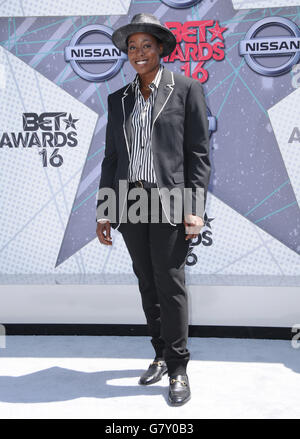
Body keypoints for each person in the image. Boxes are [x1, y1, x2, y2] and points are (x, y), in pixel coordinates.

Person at [96, 13, 211, 406]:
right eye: (132, 47)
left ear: (160, 48)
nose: (139, 53)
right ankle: (160, 353)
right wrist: (104, 209)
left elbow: (198, 155)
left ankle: (179, 368)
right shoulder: (118, 100)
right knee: (147, 281)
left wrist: (194, 207)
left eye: (146, 45)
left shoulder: (187, 89)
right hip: (129, 202)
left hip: (172, 201)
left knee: (170, 283)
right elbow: (111, 159)